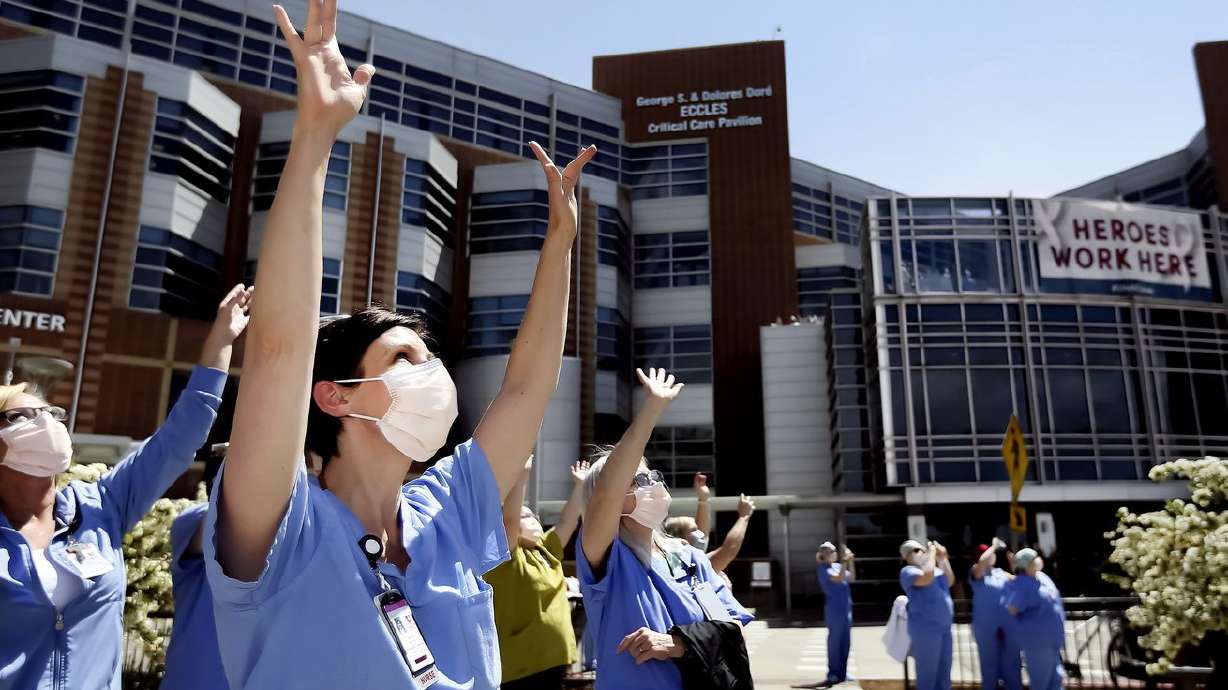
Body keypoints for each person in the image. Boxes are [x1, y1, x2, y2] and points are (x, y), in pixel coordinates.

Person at [201, 1, 596, 687]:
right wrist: (316, 137)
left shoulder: (449, 504)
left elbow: (529, 388)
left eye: (430, 357)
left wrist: (560, 245)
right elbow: (280, 350)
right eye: (403, 359)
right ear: (335, 396)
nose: (433, 375)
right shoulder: (280, 520)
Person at [0, 285, 248, 689]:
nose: (47, 422)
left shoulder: (101, 507)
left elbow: (180, 437)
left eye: (52, 413)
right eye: (24, 416)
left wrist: (221, 340)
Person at [577, 368, 754, 690]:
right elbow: (606, 493)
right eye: (635, 478)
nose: (652, 482)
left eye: (652, 474)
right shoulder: (606, 558)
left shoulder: (689, 556)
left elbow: (734, 626)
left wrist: (680, 644)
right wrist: (651, 410)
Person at [486, 456, 587, 689]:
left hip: (555, 659)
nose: (536, 519)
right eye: (528, 516)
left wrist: (580, 487)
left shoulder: (545, 550)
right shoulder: (502, 556)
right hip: (523, 667)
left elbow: (566, 522)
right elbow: (510, 520)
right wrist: (520, 477)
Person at [1006, 548, 1066, 690]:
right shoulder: (1023, 584)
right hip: (1038, 644)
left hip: (1052, 643)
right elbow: (1012, 608)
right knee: (1042, 683)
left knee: (1055, 682)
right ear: (1028, 565)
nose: (1038, 560)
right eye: (1034, 558)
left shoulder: (1041, 577)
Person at [899, 539, 955, 690]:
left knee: (944, 673)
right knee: (927, 674)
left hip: (944, 627)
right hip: (926, 630)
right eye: (916, 551)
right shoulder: (908, 571)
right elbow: (926, 577)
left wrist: (943, 559)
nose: (921, 553)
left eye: (922, 549)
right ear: (906, 556)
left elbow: (949, 580)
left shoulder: (934, 569)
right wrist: (931, 553)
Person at [663, 486, 756, 575]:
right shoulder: (691, 566)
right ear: (680, 539)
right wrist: (744, 516)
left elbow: (703, 532)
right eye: (694, 530)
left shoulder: (682, 562)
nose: (700, 533)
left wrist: (704, 500)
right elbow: (729, 549)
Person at [968, 538, 1021, 690]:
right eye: (987, 553)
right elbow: (981, 564)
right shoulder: (976, 572)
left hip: (1008, 626)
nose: (992, 554)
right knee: (989, 667)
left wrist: (1013, 565)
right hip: (986, 628)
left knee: (1012, 665)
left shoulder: (1001, 573)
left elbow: (1019, 583)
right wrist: (993, 546)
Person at [814, 541, 855, 687]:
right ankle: (833, 673)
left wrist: (850, 561)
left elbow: (851, 578)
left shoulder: (838, 566)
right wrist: (845, 562)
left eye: (834, 551)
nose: (833, 554)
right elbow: (838, 578)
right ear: (823, 556)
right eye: (830, 552)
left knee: (846, 642)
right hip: (834, 610)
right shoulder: (823, 569)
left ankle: (842, 672)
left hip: (846, 609)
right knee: (835, 642)